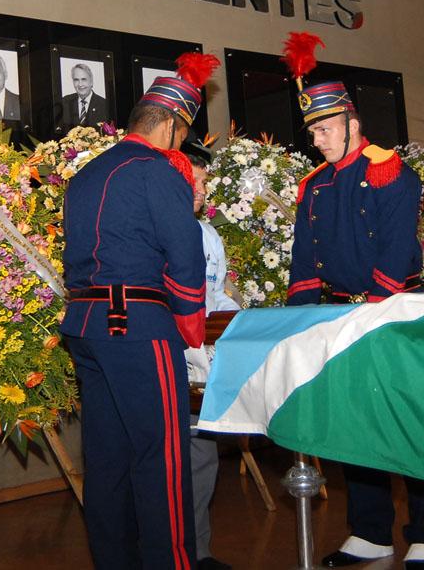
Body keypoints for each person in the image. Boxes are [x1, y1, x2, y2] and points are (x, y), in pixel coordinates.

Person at [61, 55, 216, 569]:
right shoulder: (158, 171)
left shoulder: (86, 174)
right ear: (171, 124)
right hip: (138, 326)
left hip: (85, 326)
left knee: (106, 459)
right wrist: (192, 325)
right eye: (182, 133)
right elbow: (185, 254)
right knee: (163, 456)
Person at [286, 81, 424, 569]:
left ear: (353, 124)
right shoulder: (314, 185)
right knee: (353, 424)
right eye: (312, 130)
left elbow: (397, 248)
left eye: (326, 127)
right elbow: (304, 259)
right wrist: (303, 321)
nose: (318, 138)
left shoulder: (388, 170)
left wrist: (372, 311)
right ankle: (371, 531)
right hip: (338, 316)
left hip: (391, 311)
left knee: (410, 419)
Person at [185, 150, 237, 570]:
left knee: (202, 451)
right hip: (163, 352)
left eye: (204, 183)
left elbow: (215, 294)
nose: (202, 192)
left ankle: (197, 550)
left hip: (201, 354)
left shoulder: (209, 236)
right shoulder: (149, 230)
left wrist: (241, 325)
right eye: (194, 183)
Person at [60, 63, 109, 130]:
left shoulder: (104, 104)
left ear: (91, 81)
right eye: (76, 80)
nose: (80, 84)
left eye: (84, 79)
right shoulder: (65, 101)